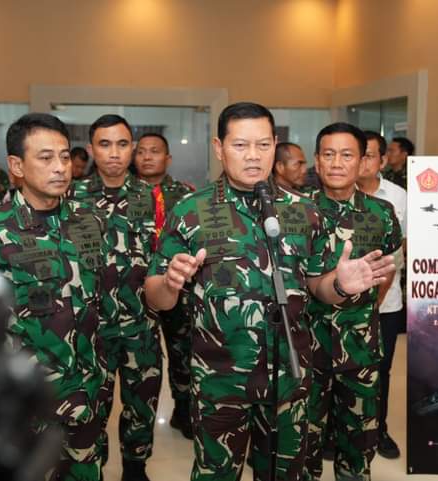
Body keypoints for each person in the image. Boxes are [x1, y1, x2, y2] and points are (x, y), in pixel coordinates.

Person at [144, 102, 395, 481]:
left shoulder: (304, 210)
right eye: (240, 145)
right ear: (219, 147)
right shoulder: (190, 210)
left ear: (275, 145)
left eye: (263, 145)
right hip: (220, 379)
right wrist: (169, 283)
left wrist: (340, 284)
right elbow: (155, 297)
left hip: (289, 380)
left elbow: (318, 287)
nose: (253, 155)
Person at [0, 114, 108, 481]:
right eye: (45, 157)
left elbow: (97, 300)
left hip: (87, 390)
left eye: (65, 156)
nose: (60, 167)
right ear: (16, 166)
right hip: (26, 401)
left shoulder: (89, 221)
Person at [305, 123, 402, 481]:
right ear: (317, 161)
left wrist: (369, 308)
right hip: (305, 350)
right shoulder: (294, 212)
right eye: (328, 154)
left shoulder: (382, 213)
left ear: (362, 162)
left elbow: (388, 267)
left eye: (347, 155)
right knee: (302, 446)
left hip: (359, 349)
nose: (336, 163)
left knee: (358, 444)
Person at [68, 115, 161, 481]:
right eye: (104, 144)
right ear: (91, 149)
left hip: (142, 323)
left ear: (132, 148)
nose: (114, 153)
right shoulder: (71, 196)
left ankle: (135, 467)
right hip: (92, 327)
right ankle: (97, 467)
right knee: (94, 405)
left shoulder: (151, 196)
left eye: (122, 144)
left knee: (143, 402)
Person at [134, 132, 195, 439]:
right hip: (133, 289)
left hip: (178, 287)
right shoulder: (125, 195)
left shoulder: (187, 196)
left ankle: (184, 410)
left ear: (168, 158)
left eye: (155, 151)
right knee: (142, 359)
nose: (147, 157)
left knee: (183, 352)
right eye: (141, 151)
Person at [356, 130, 407, 459]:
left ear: (383, 161)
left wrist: (376, 299)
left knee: (381, 369)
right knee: (341, 370)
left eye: (369, 156)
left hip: (386, 304)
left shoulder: (399, 197)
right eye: (357, 155)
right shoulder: (336, 195)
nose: (361, 162)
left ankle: (379, 429)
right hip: (341, 303)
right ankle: (338, 432)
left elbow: (403, 249)